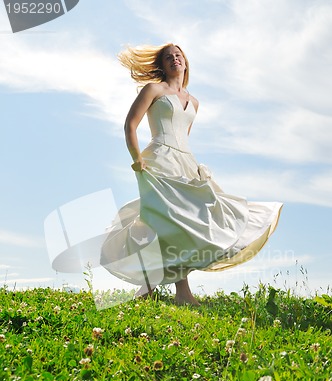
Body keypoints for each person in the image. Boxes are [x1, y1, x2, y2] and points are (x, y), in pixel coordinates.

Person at [101, 43, 282, 305]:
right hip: (157, 161)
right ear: (162, 65)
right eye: (168, 57)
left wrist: (193, 166)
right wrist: (137, 159)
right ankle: (174, 291)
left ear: (185, 63)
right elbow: (130, 124)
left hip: (185, 163)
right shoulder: (153, 90)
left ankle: (151, 288)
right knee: (166, 221)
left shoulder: (194, 102)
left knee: (190, 222)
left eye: (178, 56)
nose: (174, 59)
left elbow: (184, 138)